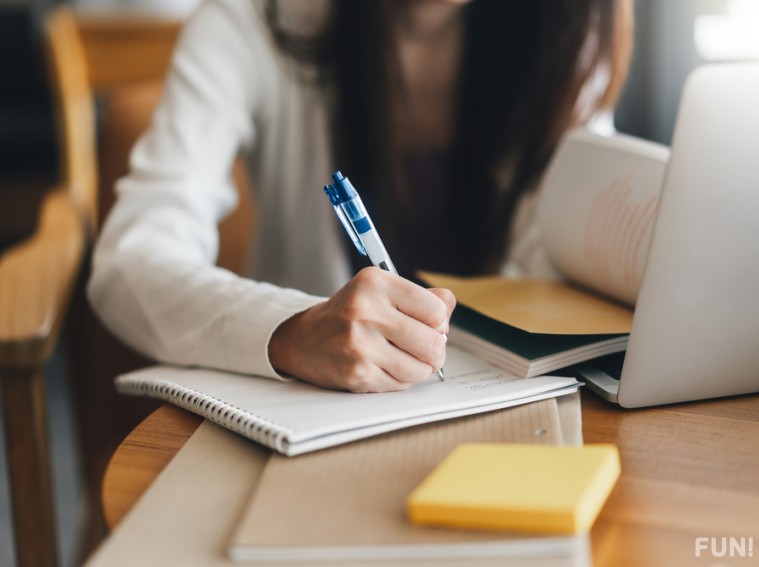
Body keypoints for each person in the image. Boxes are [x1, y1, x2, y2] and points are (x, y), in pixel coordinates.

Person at [88, 0, 632, 393]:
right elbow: (130, 263)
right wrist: (292, 332)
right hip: (315, 426)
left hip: (508, 415)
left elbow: (572, 259)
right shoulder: (249, 22)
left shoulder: (565, 33)